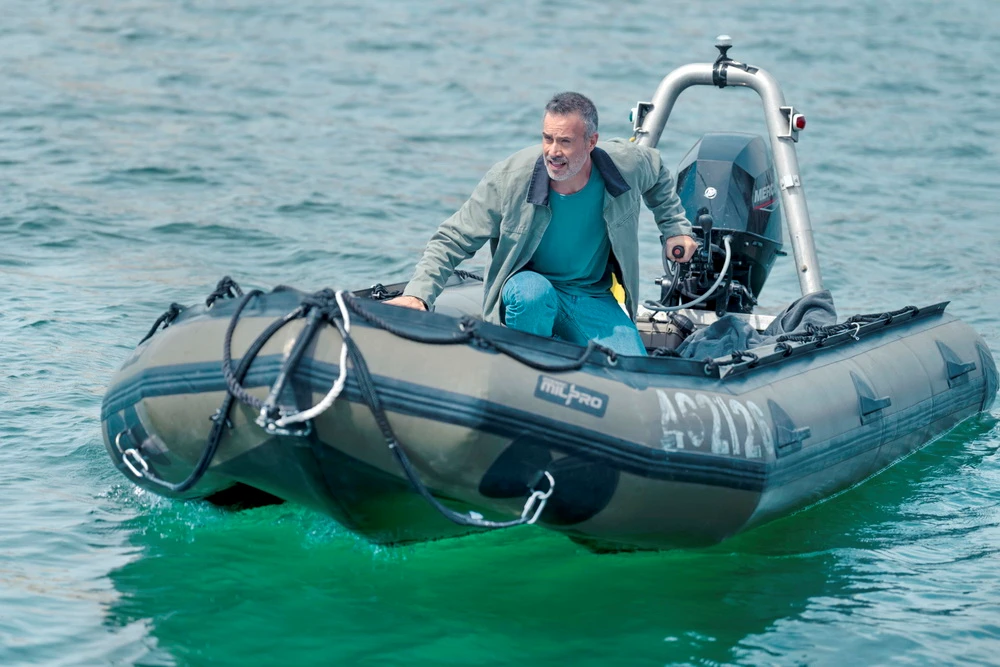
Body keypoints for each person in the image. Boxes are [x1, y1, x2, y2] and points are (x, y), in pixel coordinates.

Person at [386, 91, 697, 356]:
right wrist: (419, 295)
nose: (553, 151)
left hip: (591, 295)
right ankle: (527, 366)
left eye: (565, 141)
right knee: (532, 295)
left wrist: (675, 228)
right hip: (528, 289)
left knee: (633, 372)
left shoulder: (626, 163)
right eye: (548, 138)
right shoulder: (508, 179)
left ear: (591, 142)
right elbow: (452, 239)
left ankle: (565, 346)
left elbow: (657, 173)